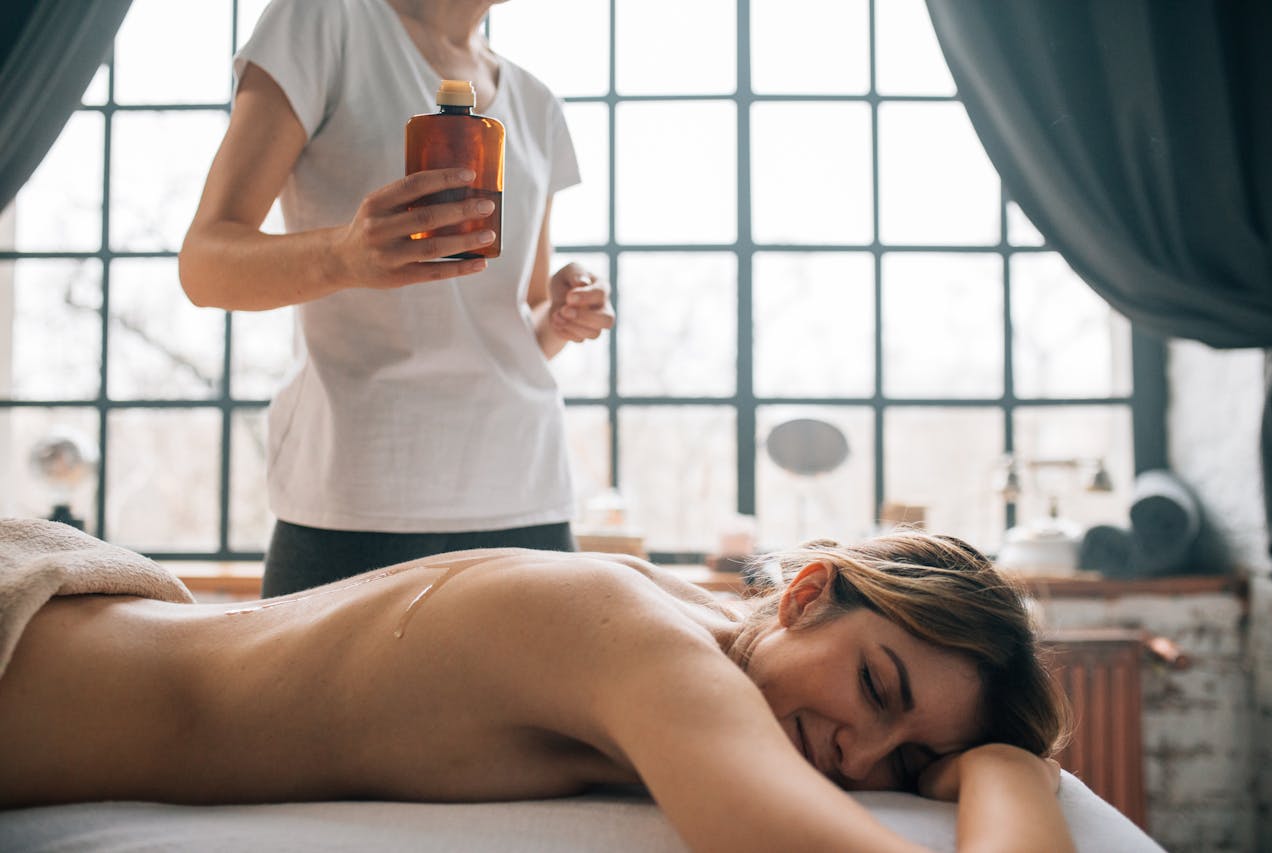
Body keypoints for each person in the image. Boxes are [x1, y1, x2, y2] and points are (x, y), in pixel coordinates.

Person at [0, 531, 1074, 853]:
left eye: (902, 759)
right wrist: (1004, 766)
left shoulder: (684, 627)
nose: (858, 755)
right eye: (875, 686)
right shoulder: (644, 646)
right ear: (802, 595)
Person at [178, 0, 613, 596]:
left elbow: (527, 317)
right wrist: (343, 256)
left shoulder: (536, 103)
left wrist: (565, 315)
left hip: (526, 496)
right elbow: (205, 265)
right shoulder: (323, 22)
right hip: (358, 501)